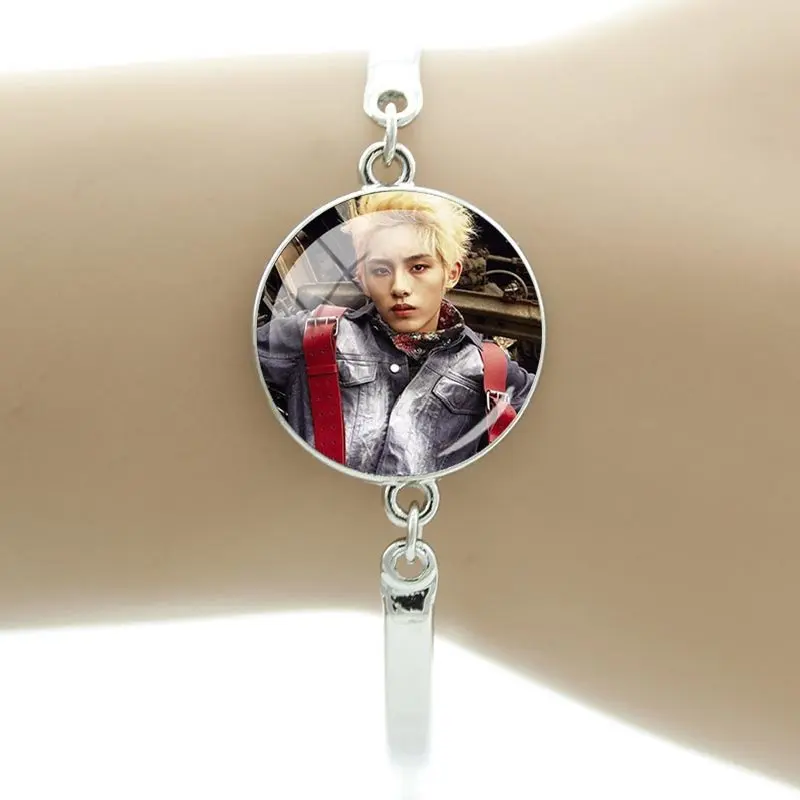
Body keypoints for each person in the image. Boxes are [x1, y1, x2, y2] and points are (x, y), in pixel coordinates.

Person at [256, 190, 536, 476]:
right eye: (381, 270)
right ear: (362, 278)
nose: (399, 287)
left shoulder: (491, 369)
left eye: (419, 267)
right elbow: (228, 359)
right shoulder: (315, 335)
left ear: (451, 273)